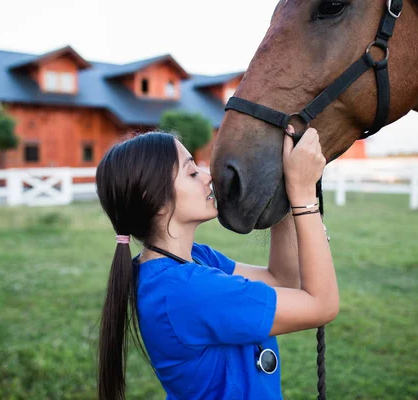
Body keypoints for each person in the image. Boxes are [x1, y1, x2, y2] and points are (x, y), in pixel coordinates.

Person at [95, 128, 338, 400]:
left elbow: (281, 279)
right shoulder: (188, 291)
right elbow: (322, 305)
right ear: (154, 201)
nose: (208, 177)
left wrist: (281, 185)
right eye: (191, 172)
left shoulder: (191, 261)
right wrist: (304, 196)